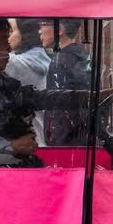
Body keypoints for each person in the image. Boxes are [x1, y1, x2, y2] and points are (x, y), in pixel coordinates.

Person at [0, 18, 94, 167]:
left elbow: (36, 98)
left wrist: (87, 97)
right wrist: (12, 147)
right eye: (3, 42)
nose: (8, 48)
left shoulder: (2, 82)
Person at [44, 18, 92, 146]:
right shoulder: (86, 57)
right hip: (85, 139)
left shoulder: (59, 61)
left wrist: (54, 140)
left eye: (44, 24)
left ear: (60, 29)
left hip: (64, 144)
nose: (39, 31)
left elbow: (58, 108)